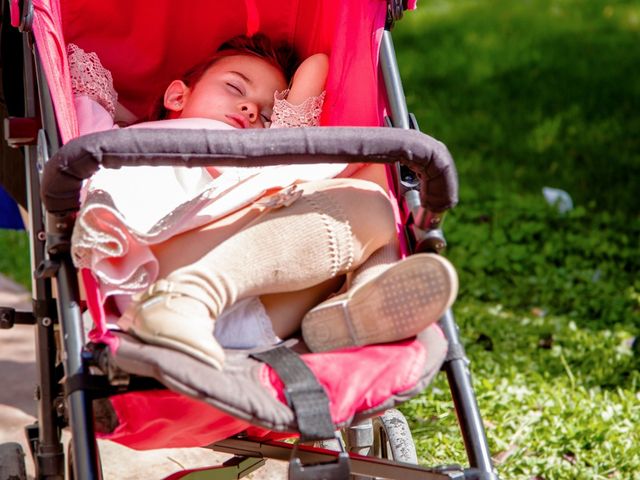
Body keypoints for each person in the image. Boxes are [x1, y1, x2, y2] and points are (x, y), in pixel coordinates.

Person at [69, 34, 458, 370]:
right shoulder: (140, 139)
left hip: (244, 316)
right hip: (152, 265)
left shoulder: (257, 154)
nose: (251, 109)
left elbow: (316, 67)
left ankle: (354, 305)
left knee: (375, 190)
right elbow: (73, 87)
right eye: (235, 88)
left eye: (268, 113)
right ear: (177, 95)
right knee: (365, 189)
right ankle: (186, 297)